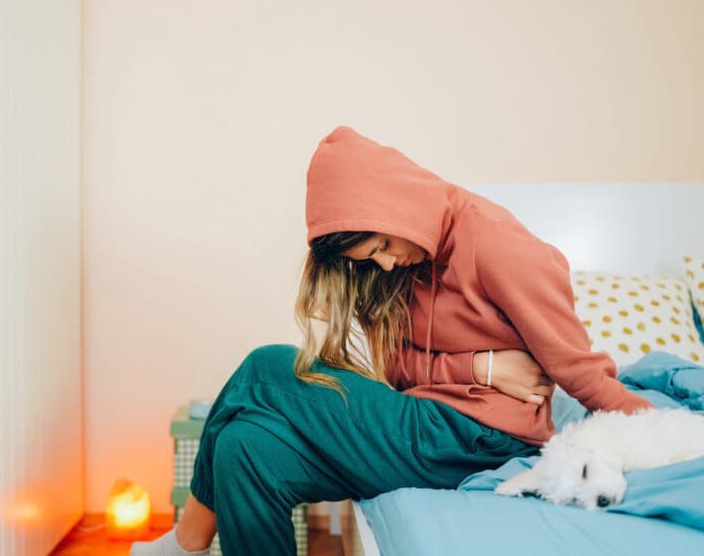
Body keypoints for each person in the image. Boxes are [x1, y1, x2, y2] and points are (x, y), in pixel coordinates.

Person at [131, 126, 652, 556]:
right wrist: (482, 370)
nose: (382, 262)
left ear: (398, 205)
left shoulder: (499, 246)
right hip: (424, 427)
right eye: (368, 256)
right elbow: (398, 371)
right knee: (246, 449)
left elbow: (580, 368)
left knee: (265, 367)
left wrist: (660, 435)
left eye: (380, 244)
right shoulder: (402, 265)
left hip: (477, 439)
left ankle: (188, 541)